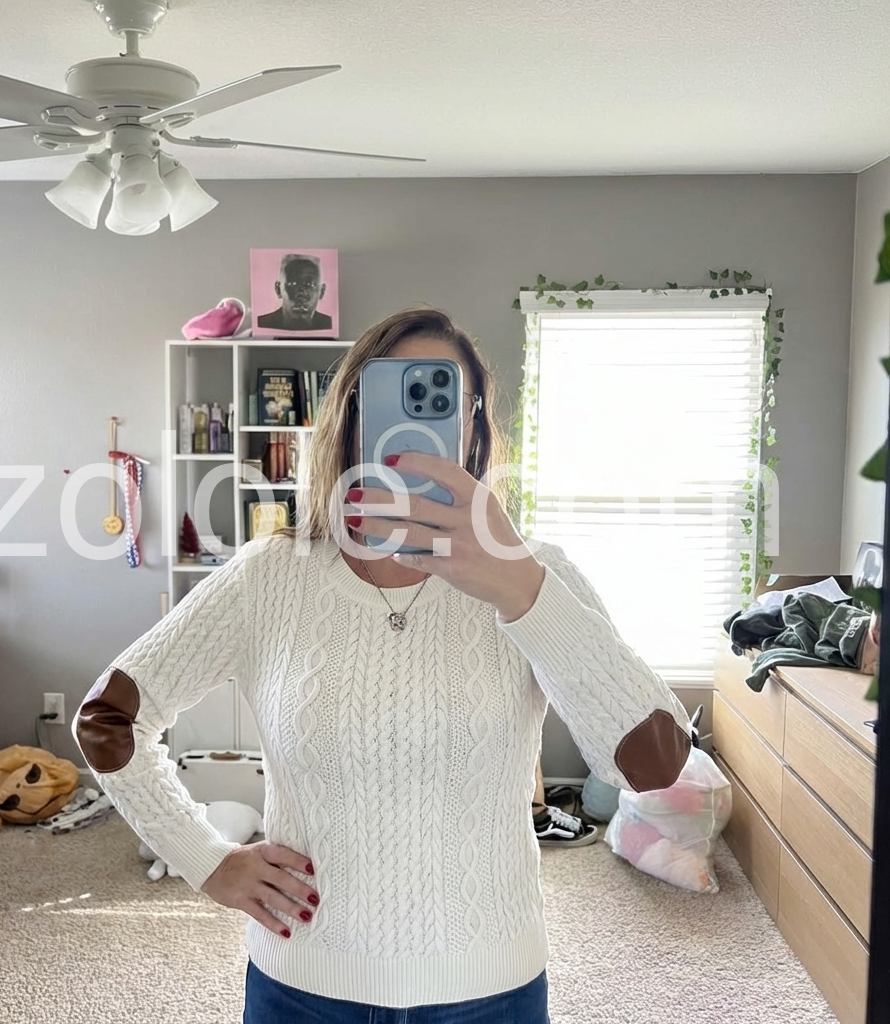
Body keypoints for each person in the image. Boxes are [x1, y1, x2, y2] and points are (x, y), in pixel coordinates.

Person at [74, 308, 693, 1023]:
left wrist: (523, 591)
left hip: (489, 991)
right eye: (390, 395)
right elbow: (109, 719)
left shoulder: (534, 575)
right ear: (350, 419)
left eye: (441, 399)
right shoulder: (269, 577)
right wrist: (206, 860)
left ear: (473, 428)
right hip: (302, 987)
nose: (415, 424)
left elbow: (654, 765)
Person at [256, 253, 333, 331]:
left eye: (309, 284)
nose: (301, 293)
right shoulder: (261, 324)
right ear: (278, 289)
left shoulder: (330, 325)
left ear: (322, 291)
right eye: (292, 284)